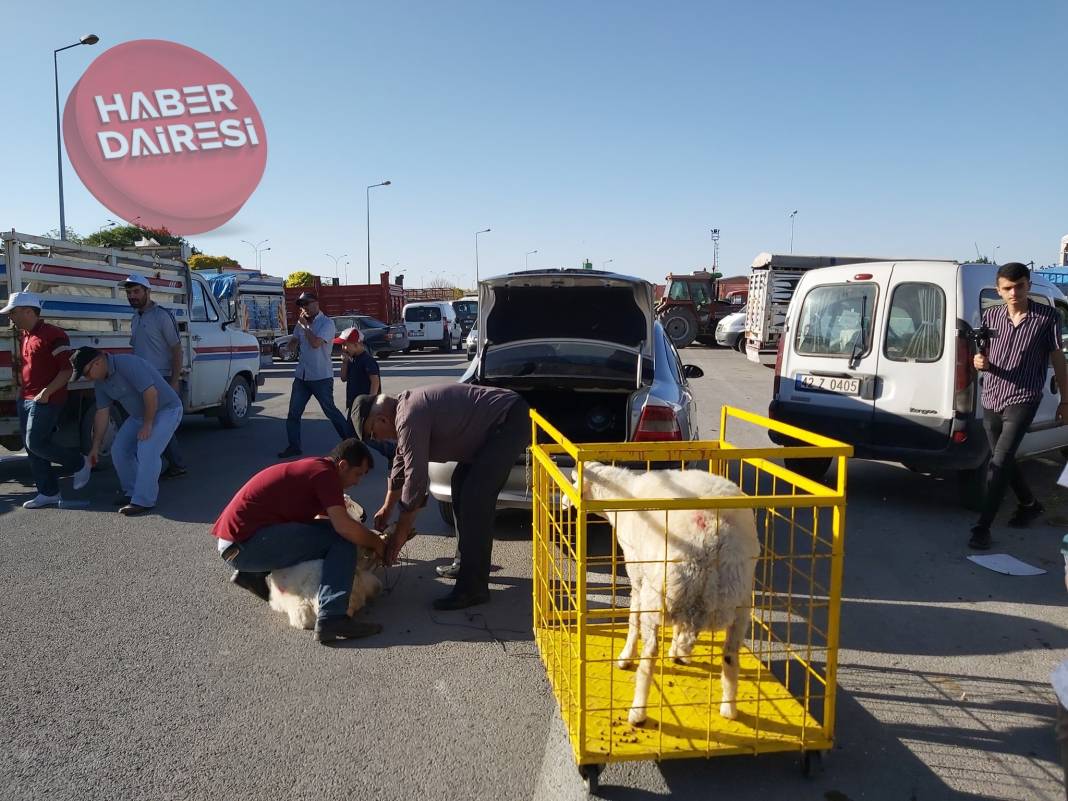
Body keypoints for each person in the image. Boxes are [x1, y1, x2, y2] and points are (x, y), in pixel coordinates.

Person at [350, 383, 529, 610]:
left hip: (509, 420)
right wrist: (387, 506)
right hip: (495, 425)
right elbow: (400, 462)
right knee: (460, 483)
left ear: (382, 419)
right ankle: (465, 562)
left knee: (476, 498)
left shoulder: (410, 416)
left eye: (373, 434)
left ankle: (473, 589)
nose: (377, 439)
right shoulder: (404, 413)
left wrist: (401, 533)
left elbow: (416, 480)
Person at [212, 438, 385, 644]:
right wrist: (376, 543)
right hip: (246, 544)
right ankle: (333, 617)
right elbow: (344, 527)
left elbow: (322, 522)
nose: (358, 482)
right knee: (341, 540)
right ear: (343, 465)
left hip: (237, 543)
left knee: (324, 535)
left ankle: (251, 575)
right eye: (357, 474)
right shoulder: (325, 475)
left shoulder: (317, 470)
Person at [969, 262, 1068, 550]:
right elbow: (982, 355)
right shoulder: (991, 317)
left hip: (1023, 398)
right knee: (1005, 460)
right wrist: (979, 362)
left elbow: (1058, 359)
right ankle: (1029, 504)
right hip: (992, 397)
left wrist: (1065, 399)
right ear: (999, 291)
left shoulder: (1047, 317)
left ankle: (981, 527)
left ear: (1028, 285)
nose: (1014, 292)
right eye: (1007, 288)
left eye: (1020, 286)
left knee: (998, 462)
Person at [1, 292, 91, 508]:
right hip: (26, 398)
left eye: (13, 313)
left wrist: (46, 393)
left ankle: (79, 462)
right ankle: (48, 492)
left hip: (48, 399)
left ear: (28, 311)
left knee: (36, 443)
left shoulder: (54, 334)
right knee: (31, 448)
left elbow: (67, 369)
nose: (10, 317)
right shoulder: (25, 334)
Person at [71, 346, 183, 516]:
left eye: (86, 373)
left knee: (147, 448)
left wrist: (148, 423)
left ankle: (144, 500)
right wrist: (95, 447)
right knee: (119, 449)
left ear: (98, 362)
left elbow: (151, 393)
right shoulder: (101, 383)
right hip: (139, 415)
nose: (87, 377)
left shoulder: (128, 364)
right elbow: (102, 413)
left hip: (166, 410)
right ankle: (132, 491)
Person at [122, 274, 187, 479]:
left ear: (147, 292)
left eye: (136, 292)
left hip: (161, 378)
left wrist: (174, 380)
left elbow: (177, 350)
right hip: (141, 380)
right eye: (129, 293)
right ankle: (175, 464)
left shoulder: (161, 316)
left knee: (157, 425)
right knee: (157, 426)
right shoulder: (135, 318)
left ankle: (151, 470)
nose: (132, 296)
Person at [278, 292, 351, 458]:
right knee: (293, 413)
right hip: (302, 376)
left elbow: (316, 343)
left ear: (316, 304)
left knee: (330, 411)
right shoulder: (301, 324)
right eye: (302, 306)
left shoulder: (327, 323)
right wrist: (287, 349)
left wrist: (305, 327)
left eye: (307, 304)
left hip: (321, 377)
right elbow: (295, 340)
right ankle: (294, 446)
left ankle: (351, 442)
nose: (304, 308)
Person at [336, 326, 381, 412]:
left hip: (364, 404)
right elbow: (343, 378)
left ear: (356, 344)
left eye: (345, 345)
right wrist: (344, 362)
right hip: (352, 403)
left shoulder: (367, 360)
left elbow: (375, 381)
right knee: (351, 424)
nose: (343, 348)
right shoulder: (351, 360)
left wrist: (371, 401)